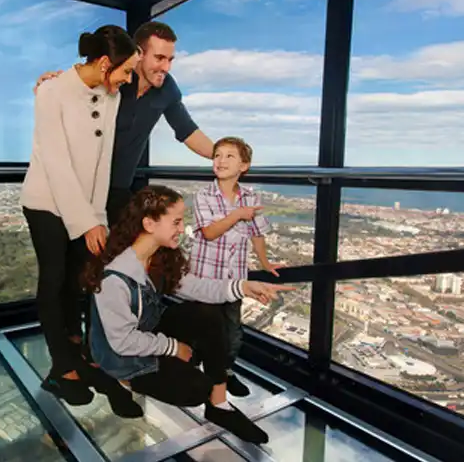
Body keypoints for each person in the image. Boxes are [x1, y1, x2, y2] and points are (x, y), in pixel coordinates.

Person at [81, 185, 295, 444]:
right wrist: (174, 347)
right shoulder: (115, 278)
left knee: (208, 314)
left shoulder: (159, 257)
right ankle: (121, 380)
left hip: (145, 332)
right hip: (121, 355)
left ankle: (219, 406)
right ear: (149, 224)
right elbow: (122, 342)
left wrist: (244, 287)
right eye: (177, 222)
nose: (182, 229)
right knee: (195, 390)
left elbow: (197, 288)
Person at [20, 25, 140, 410]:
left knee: (79, 282)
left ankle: (79, 356)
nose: (127, 79)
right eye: (125, 71)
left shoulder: (111, 95)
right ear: (105, 64)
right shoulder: (51, 91)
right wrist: (83, 221)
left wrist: (97, 215)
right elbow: (55, 162)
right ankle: (62, 369)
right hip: (46, 201)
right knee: (54, 282)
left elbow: (101, 163)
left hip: (85, 206)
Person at [34, 21, 215, 226]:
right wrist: (52, 82)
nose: (166, 67)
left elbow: (187, 130)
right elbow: (79, 84)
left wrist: (226, 156)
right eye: (159, 58)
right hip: (83, 187)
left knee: (121, 252)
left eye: (170, 59)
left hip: (119, 189)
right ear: (139, 53)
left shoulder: (167, 89)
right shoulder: (113, 80)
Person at [189, 137, 286, 397]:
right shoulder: (203, 196)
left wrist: (265, 263)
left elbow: (257, 233)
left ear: (244, 166)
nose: (220, 161)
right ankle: (202, 370)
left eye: (229, 156)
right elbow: (209, 233)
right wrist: (236, 215)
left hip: (235, 279)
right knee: (205, 327)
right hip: (206, 279)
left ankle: (225, 371)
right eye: (217, 155)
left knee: (232, 330)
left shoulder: (251, 197)